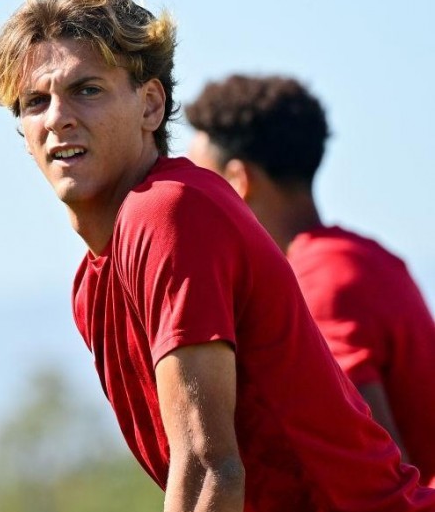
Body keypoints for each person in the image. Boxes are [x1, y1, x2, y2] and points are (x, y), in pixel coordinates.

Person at [0, 0, 435, 512]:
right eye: (35, 101)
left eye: (88, 89)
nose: (58, 117)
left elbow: (208, 470)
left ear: (151, 105)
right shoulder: (92, 281)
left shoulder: (167, 210)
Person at [186, 74, 435, 487]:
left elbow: (374, 477)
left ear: (238, 181)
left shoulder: (316, 282)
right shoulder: (365, 257)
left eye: (202, 184)